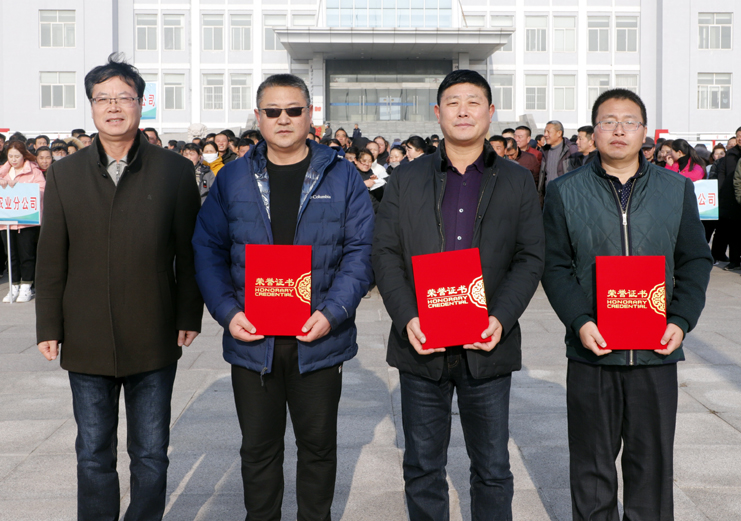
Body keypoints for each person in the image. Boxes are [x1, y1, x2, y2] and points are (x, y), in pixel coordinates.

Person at [192, 73, 374, 521]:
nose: (284, 119)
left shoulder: (342, 175)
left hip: (319, 337)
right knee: (258, 450)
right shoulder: (233, 178)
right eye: (273, 111)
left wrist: (333, 312)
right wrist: (227, 311)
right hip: (254, 338)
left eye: (294, 110)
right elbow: (208, 249)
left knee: (318, 449)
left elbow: (361, 251)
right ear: (258, 117)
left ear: (310, 115)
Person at [35, 54, 203, 521]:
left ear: (140, 104)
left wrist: (188, 313)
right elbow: (51, 258)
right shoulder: (64, 173)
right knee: (93, 451)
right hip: (86, 334)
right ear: (91, 107)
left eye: (123, 97)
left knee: (150, 451)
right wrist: (48, 325)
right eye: (102, 98)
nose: (113, 107)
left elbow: (189, 251)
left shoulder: (173, 170)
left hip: (153, 330)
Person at [372, 69, 544, 521]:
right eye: (453, 102)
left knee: (492, 469)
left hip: (486, 343)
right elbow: (384, 252)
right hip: (421, 344)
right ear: (437, 112)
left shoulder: (516, 180)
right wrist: (407, 317)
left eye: (473, 102)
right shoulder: (406, 178)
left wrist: (500, 318)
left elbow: (530, 257)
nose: (463, 111)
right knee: (422, 467)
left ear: (490, 112)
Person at [541, 88, 712, 521]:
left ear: (644, 132)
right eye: (609, 121)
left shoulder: (675, 189)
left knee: (651, 468)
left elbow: (695, 260)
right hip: (592, 351)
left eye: (629, 122)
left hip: (655, 352)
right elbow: (554, 265)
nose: (619, 130)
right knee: (591, 469)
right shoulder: (564, 191)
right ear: (593, 131)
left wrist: (681, 319)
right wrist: (580, 321)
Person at [0, 141, 45, 303]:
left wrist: (20, 189)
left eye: (17, 156)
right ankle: (14, 285)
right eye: (10, 156)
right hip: (6, 221)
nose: (13, 159)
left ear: (24, 155)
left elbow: (42, 190)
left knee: (26, 254)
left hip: (27, 221)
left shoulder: (34, 171)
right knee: (11, 254)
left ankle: (27, 285)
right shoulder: (3, 172)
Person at [715, 126, 741, 270]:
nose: (740, 138)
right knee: (734, 234)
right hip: (731, 199)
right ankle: (734, 260)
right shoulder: (730, 155)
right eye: (738, 136)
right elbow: (722, 174)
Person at [537, 120, 572, 205]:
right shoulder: (544, 151)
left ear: (559, 133)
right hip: (548, 199)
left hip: (566, 199)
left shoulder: (571, 150)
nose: (545, 135)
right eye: (545, 131)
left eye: (548, 132)